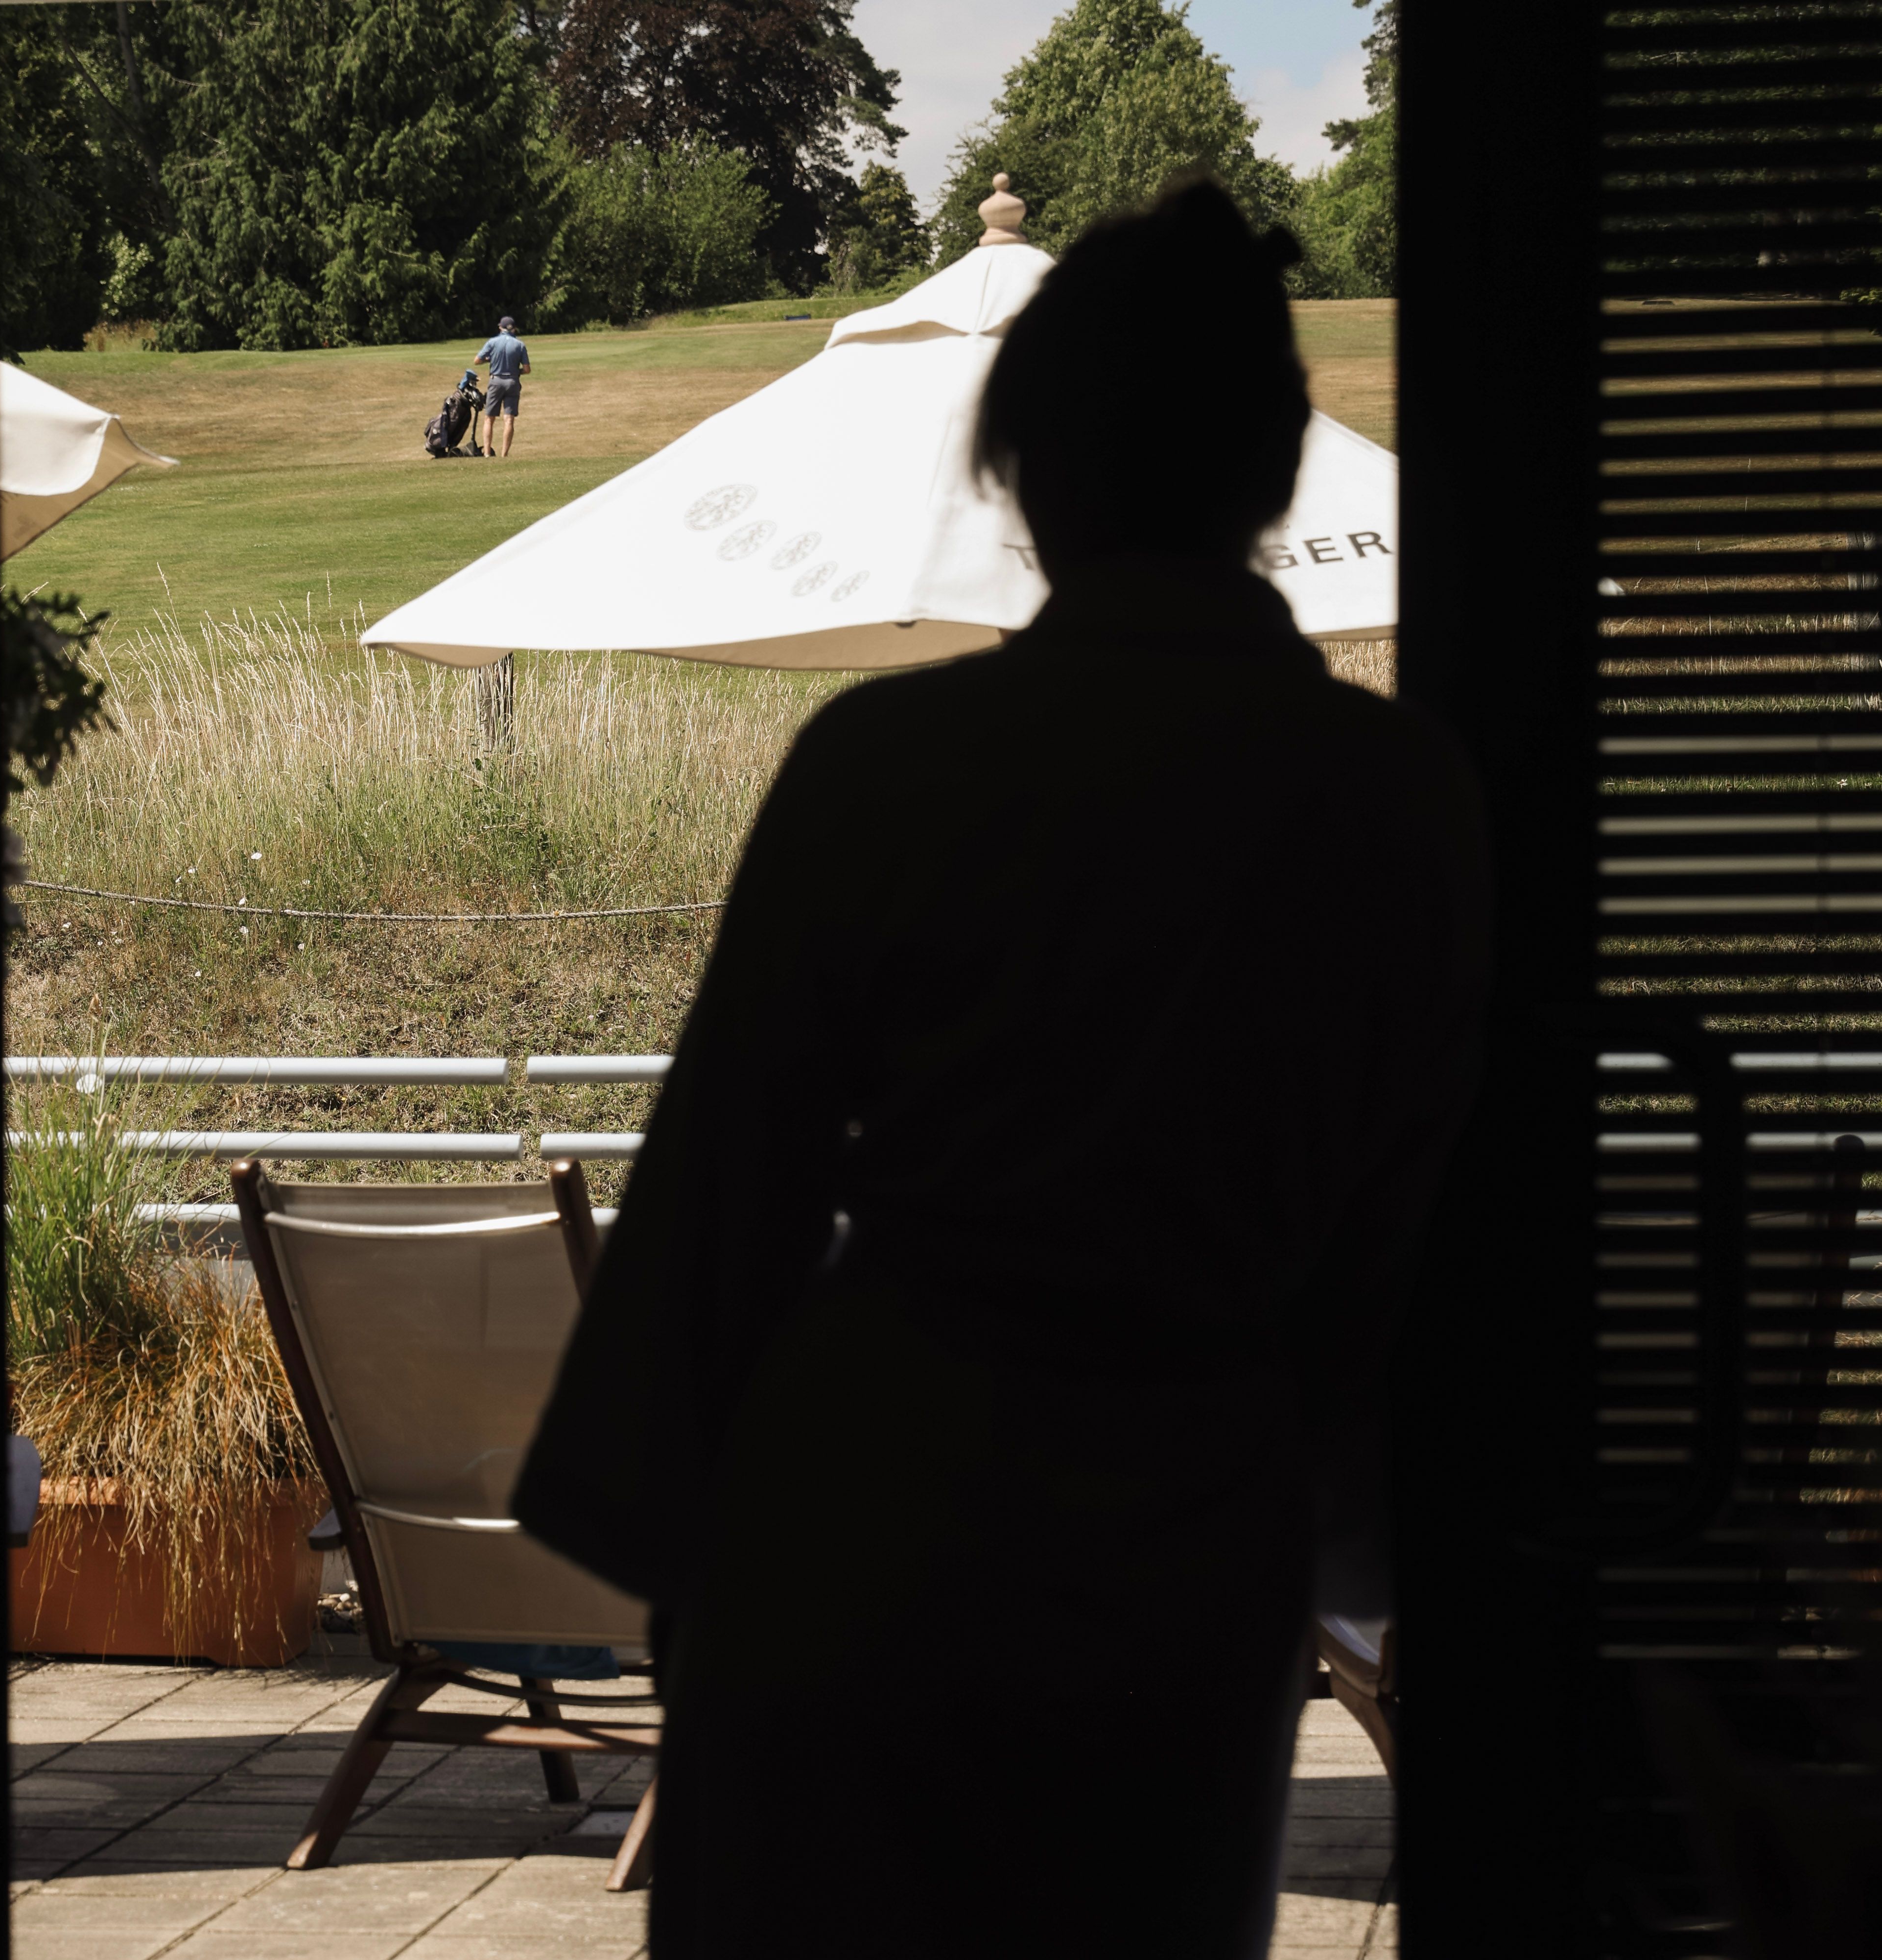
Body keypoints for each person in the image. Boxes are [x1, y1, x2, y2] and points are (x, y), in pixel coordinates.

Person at [511, 176, 1488, 1956]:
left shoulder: (886, 767)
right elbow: (1399, 1247)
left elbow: (718, 1199)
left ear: (1025, 470)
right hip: (1178, 1549)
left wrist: (677, 1564)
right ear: (1273, 475)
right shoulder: (1398, 807)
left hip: (851, 1513)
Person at [475, 314, 531, 458]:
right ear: (514, 329)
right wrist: (515, 371)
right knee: (509, 419)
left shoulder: (493, 342)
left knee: (489, 418)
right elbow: (527, 370)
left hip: (496, 381)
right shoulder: (520, 345)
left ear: (501, 328)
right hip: (512, 382)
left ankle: (487, 453)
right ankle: (504, 455)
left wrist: (490, 360)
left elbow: (477, 360)